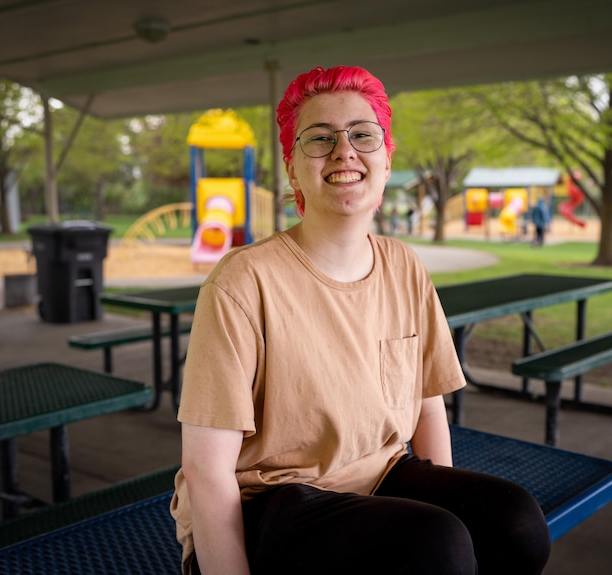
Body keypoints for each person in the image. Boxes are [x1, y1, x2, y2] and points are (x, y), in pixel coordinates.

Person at [170, 65, 551, 575]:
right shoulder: (243, 282)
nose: (344, 151)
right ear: (292, 168)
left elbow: (427, 407)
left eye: (362, 135)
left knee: (515, 522)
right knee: (435, 545)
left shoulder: (404, 266)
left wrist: (446, 509)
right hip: (271, 501)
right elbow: (206, 468)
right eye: (320, 139)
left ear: (387, 160)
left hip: (382, 473)